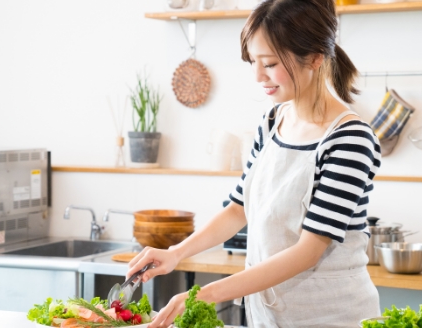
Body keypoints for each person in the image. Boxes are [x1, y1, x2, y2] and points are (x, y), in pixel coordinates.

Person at [127, 0, 382, 326]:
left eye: (270, 63)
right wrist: (176, 253)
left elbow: (309, 251)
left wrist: (201, 294)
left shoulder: (349, 139)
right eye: (253, 62)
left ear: (316, 57)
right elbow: (239, 208)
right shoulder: (273, 120)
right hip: (268, 317)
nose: (258, 75)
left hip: (332, 318)